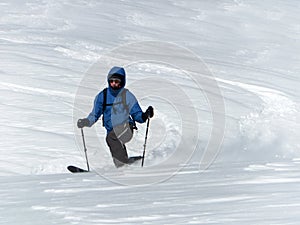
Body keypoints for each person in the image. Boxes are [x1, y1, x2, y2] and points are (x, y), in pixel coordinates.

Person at [77, 66, 154, 168]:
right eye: (111, 81)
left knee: (112, 137)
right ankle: (126, 162)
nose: (114, 84)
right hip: (111, 130)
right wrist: (86, 121)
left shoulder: (126, 95)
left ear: (122, 82)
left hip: (127, 128)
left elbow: (137, 114)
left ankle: (122, 166)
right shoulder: (102, 96)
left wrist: (145, 115)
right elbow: (95, 114)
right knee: (112, 138)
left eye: (117, 81)